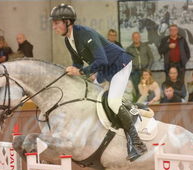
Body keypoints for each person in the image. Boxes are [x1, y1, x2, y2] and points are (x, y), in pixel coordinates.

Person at [50, 3, 147, 161]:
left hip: (119, 64)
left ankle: (137, 143)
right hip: (105, 70)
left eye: (56, 23)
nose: (54, 27)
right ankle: (129, 111)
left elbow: (101, 60)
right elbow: (78, 64)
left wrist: (81, 72)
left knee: (113, 102)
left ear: (67, 22)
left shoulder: (85, 33)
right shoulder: (68, 41)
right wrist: (67, 73)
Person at [126, 32, 154, 97]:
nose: (136, 38)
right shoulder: (129, 49)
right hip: (134, 72)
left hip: (145, 71)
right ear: (132, 38)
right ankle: (139, 103)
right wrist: (131, 69)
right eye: (134, 37)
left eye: (137, 37)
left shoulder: (145, 46)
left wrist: (148, 69)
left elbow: (151, 58)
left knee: (147, 87)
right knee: (137, 88)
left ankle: (147, 102)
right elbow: (126, 61)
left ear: (140, 37)